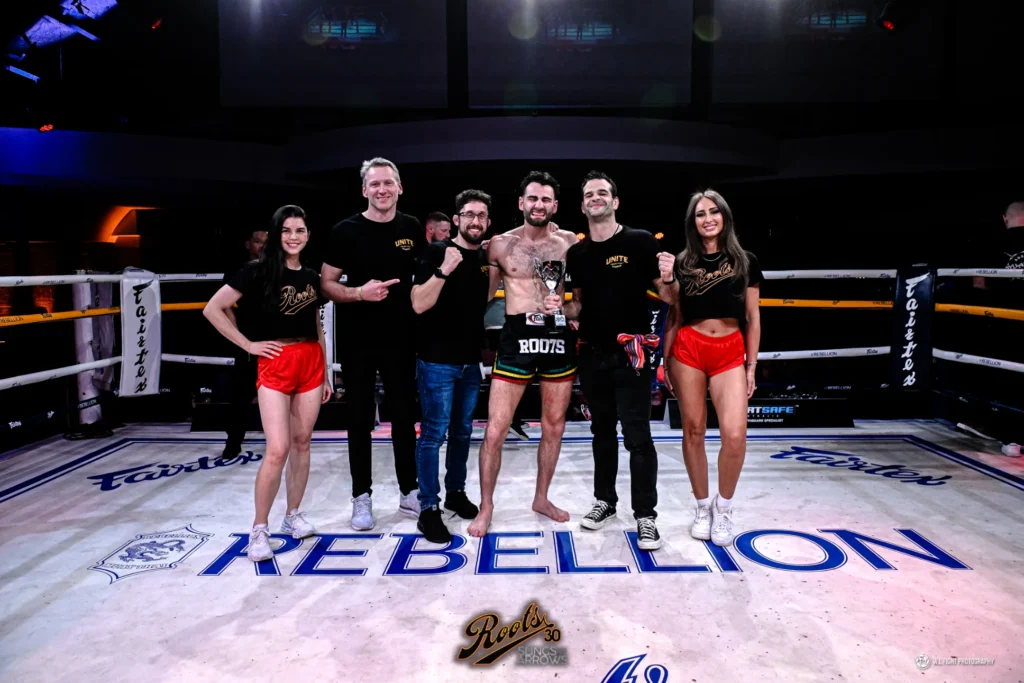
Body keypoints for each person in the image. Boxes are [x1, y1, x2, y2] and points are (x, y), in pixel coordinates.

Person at [203, 206, 331, 562]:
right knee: (277, 449)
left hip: (310, 360)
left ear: (308, 235)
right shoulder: (256, 271)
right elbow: (213, 308)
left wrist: (325, 372)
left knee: (302, 442)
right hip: (275, 361)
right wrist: (247, 344)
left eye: (300, 230)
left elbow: (316, 325)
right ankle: (259, 528)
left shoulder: (312, 276)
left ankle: (293, 515)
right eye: (287, 230)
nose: (293, 237)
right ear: (277, 235)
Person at [566, 171, 678, 550]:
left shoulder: (640, 241)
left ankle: (646, 516)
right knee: (600, 432)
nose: (595, 198)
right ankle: (605, 501)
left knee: (638, 435)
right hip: (592, 353)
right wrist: (559, 307)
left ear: (614, 202)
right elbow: (578, 304)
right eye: (589, 194)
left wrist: (669, 277)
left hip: (633, 353)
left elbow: (669, 297)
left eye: (602, 193)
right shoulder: (578, 253)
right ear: (583, 206)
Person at [468, 171, 578, 538]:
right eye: (533, 198)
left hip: (556, 336)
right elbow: (483, 296)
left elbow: (580, 299)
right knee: (496, 427)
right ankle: (486, 506)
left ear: (555, 205)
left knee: (554, 425)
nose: (538, 205)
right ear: (521, 203)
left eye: (545, 199)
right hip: (517, 337)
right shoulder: (500, 245)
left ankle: (542, 498)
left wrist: (565, 307)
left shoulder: (568, 242)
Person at [320, 158, 423, 530]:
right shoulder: (345, 230)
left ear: (400, 187)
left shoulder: (411, 227)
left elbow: (424, 275)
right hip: (358, 339)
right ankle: (361, 496)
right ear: (364, 189)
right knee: (359, 419)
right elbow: (326, 283)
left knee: (404, 418)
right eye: (375, 184)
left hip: (401, 338)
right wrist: (359, 293)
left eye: (388, 183)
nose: (382, 189)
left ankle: (409, 491)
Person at [663, 189, 762, 548]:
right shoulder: (681, 262)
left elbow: (753, 317)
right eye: (700, 213)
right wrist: (665, 360)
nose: (708, 219)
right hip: (688, 348)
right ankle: (703, 507)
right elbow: (673, 315)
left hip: (730, 350)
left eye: (714, 211)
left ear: (725, 216)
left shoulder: (745, 261)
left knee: (734, 435)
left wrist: (751, 366)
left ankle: (725, 507)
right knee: (693, 430)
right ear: (692, 222)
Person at [411, 190, 497, 542]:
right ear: (457, 219)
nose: (475, 221)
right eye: (469, 214)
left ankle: (455, 493)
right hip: (436, 361)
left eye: (481, 215)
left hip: (469, 362)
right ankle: (428, 508)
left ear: (488, 222)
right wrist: (444, 270)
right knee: (433, 434)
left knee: (462, 432)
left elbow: (485, 297)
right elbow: (418, 303)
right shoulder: (436, 252)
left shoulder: (485, 260)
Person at [221, 227, 269, 460]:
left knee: (281, 391)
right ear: (248, 244)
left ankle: (284, 441)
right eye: (258, 241)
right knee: (241, 391)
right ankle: (233, 441)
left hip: (275, 338)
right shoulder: (240, 271)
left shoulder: (276, 268)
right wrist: (237, 334)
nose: (263, 246)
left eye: (266, 242)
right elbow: (222, 304)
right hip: (248, 338)